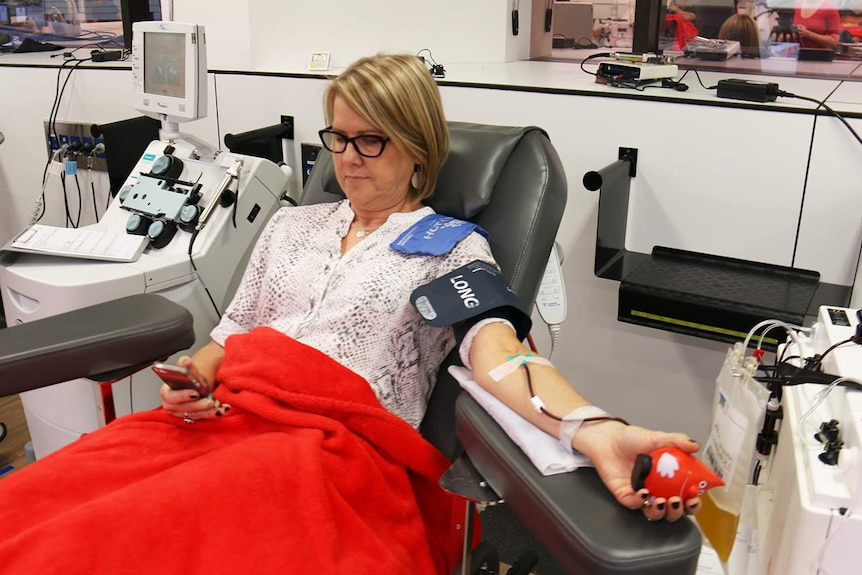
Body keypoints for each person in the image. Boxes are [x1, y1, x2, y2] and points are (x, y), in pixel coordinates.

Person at [0, 53, 702, 572]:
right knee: (43, 503)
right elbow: (232, 337)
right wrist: (194, 377)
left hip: (321, 456)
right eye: (339, 138)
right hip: (220, 424)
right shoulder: (289, 227)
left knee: (119, 542)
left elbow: (504, 355)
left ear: (419, 148)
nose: (349, 159)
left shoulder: (452, 249)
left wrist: (594, 428)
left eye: (373, 141)